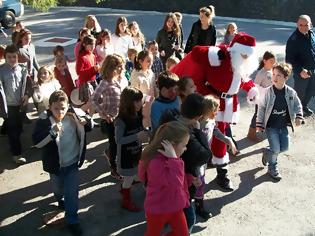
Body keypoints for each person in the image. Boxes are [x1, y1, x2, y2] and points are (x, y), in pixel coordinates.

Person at [32, 90, 92, 236]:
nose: (60, 112)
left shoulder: (74, 115)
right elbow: (37, 143)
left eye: (63, 108)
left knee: (72, 193)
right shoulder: (44, 120)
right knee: (58, 189)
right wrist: (51, 133)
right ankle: (59, 199)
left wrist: (87, 121)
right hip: (55, 166)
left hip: (71, 163)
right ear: (50, 107)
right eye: (56, 108)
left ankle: (72, 220)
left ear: (68, 106)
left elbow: (88, 126)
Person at [138, 121, 190, 236]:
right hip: (158, 210)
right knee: (153, 233)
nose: (185, 149)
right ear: (171, 145)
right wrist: (174, 160)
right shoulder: (156, 163)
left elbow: (181, 180)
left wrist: (190, 180)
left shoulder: (174, 160)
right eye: (184, 145)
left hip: (175, 206)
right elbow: (175, 183)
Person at [256, 63, 303, 180]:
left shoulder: (290, 92)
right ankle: (272, 167)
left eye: (279, 75)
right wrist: (259, 123)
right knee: (276, 149)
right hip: (271, 126)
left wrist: (298, 116)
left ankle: (268, 151)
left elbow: (297, 104)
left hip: (283, 126)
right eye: (273, 74)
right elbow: (261, 107)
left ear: (286, 78)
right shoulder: (268, 92)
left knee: (285, 148)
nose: (275, 78)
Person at [197, 95, 237, 220]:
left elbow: (215, 131)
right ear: (207, 110)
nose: (218, 112)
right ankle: (197, 206)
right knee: (198, 181)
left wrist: (227, 139)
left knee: (199, 181)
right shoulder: (197, 123)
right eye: (216, 110)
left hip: (203, 158)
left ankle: (197, 203)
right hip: (196, 158)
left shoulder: (211, 121)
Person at [91, 54, 128, 180]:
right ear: (111, 68)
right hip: (110, 120)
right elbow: (94, 99)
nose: (121, 69)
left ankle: (112, 155)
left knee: (120, 142)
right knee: (114, 144)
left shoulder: (119, 80)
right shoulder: (104, 83)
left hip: (121, 117)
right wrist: (104, 114)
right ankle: (114, 168)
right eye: (119, 67)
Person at [115, 87, 149, 212]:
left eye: (140, 100)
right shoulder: (121, 121)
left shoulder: (138, 115)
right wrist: (136, 136)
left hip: (137, 154)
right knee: (129, 178)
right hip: (126, 158)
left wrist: (147, 132)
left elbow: (140, 131)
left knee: (137, 175)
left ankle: (125, 188)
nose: (140, 104)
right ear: (128, 102)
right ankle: (126, 200)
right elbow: (119, 140)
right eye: (136, 101)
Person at [0, 45, 33, 164]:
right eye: (9, 57)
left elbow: (30, 85)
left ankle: (7, 133)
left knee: (18, 127)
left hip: (20, 105)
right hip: (7, 106)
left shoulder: (23, 69)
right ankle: (16, 154)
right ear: (5, 57)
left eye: (14, 57)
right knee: (13, 130)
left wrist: (27, 95)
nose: (12, 59)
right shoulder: (1, 70)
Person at [286, 14, 315, 117]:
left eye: (306, 25)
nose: (303, 27)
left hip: (313, 70)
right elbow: (289, 60)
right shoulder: (293, 40)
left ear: (310, 24)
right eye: (300, 25)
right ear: (297, 25)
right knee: (300, 93)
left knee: (311, 90)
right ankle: (295, 112)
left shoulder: (312, 33)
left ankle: (303, 106)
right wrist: (299, 71)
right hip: (301, 72)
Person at [248, 51, 276, 141]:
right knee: (258, 115)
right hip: (261, 99)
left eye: (274, 61)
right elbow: (255, 87)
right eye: (271, 61)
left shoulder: (272, 70)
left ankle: (266, 130)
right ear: (265, 61)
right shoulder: (261, 73)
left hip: (269, 98)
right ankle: (251, 133)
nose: (273, 63)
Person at [130, 50, 157, 128]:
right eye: (148, 61)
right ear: (140, 61)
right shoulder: (136, 75)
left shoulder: (150, 72)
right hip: (142, 107)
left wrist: (157, 95)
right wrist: (148, 98)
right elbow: (135, 94)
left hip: (152, 104)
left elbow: (154, 86)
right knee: (144, 125)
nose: (151, 63)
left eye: (152, 61)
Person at [75, 35, 99, 104]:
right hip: (85, 83)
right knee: (89, 103)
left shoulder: (93, 55)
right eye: (90, 44)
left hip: (93, 81)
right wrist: (92, 69)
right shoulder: (82, 56)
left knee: (94, 102)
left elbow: (94, 69)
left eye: (94, 44)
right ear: (84, 44)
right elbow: (79, 72)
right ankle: (83, 113)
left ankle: (88, 113)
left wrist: (97, 69)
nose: (93, 46)